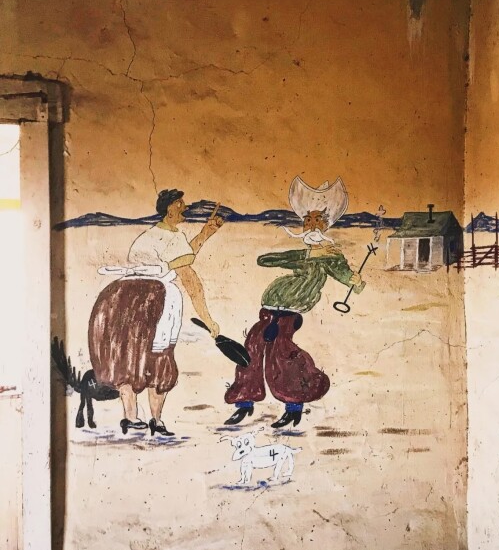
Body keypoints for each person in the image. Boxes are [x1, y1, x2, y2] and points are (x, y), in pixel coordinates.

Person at [223, 177, 364, 429]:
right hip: (268, 312)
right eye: (307, 221)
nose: (311, 225)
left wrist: (355, 281)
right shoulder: (304, 254)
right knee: (251, 349)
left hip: (289, 314)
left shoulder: (331, 256)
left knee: (283, 356)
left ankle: (294, 406)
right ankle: (244, 402)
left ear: (326, 225)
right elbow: (265, 260)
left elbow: (346, 277)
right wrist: (306, 255)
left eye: (317, 221)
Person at [89, 190, 223, 435]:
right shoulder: (169, 238)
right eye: (180, 204)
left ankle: (131, 417)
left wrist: (206, 233)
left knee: (127, 355)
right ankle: (155, 420)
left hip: (121, 297)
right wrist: (207, 319)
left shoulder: (153, 235)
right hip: (153, 299)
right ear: (170, 208)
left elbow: (182, 258)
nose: (185, 207)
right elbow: (188, 275)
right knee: (158, 358)